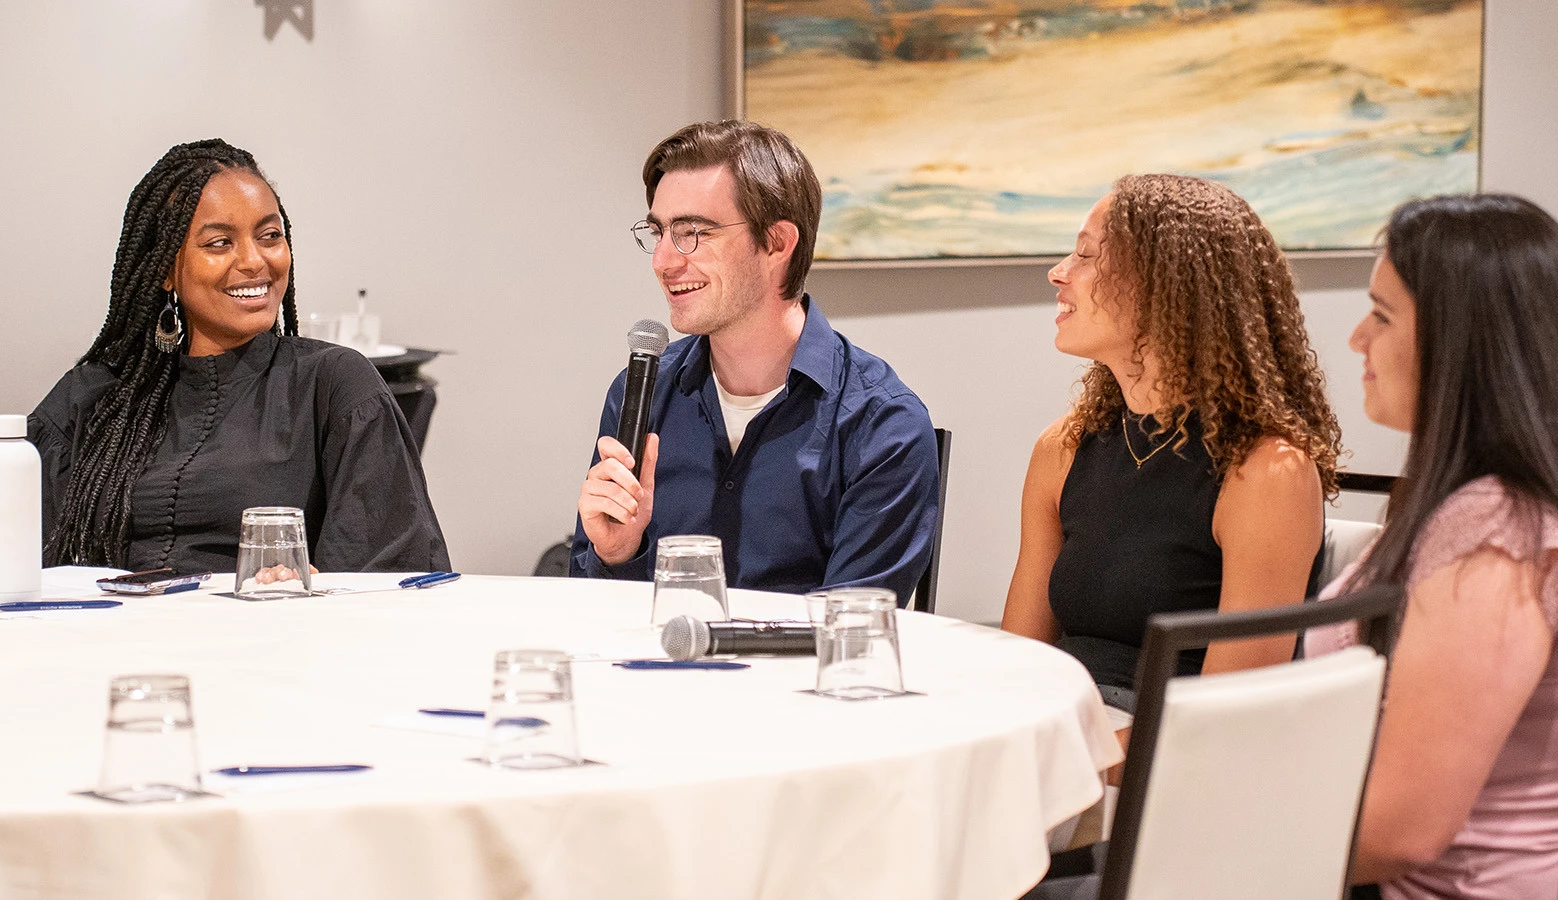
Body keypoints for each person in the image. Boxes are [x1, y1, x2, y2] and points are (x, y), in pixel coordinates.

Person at [1321, 194, 1558, 899]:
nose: (1358, 339)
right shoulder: (1510, 505)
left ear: (1465, 348)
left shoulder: (1499, 530)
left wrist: (1199, 832)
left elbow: (1400, 832)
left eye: (1382, 316)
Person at [0, 139, 448, 578]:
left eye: (270, 236)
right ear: (166, 269)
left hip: (271, 645)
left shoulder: (334, 386)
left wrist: (316, 589)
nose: (253, 260)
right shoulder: (93, 397)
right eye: (219, 243)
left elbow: (389, 580)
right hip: (107, 646)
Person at [1001, 174, 1343, 701]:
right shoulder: (1062, 448)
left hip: (1165, 741)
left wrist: (1069, 745)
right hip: (1064, 721)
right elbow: (1018, 660)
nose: (1058, 272)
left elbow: (1224, 714)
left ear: (1165, 289)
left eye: (1085, 255)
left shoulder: (1267, 472)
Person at [570, 120, 939, 601]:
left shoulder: (883, 425)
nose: (662, 261)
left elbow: (852, 630)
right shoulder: (639, 394)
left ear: (777, 243)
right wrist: (617, 556)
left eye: (693, 232)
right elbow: (586, 614)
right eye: (658, 232)